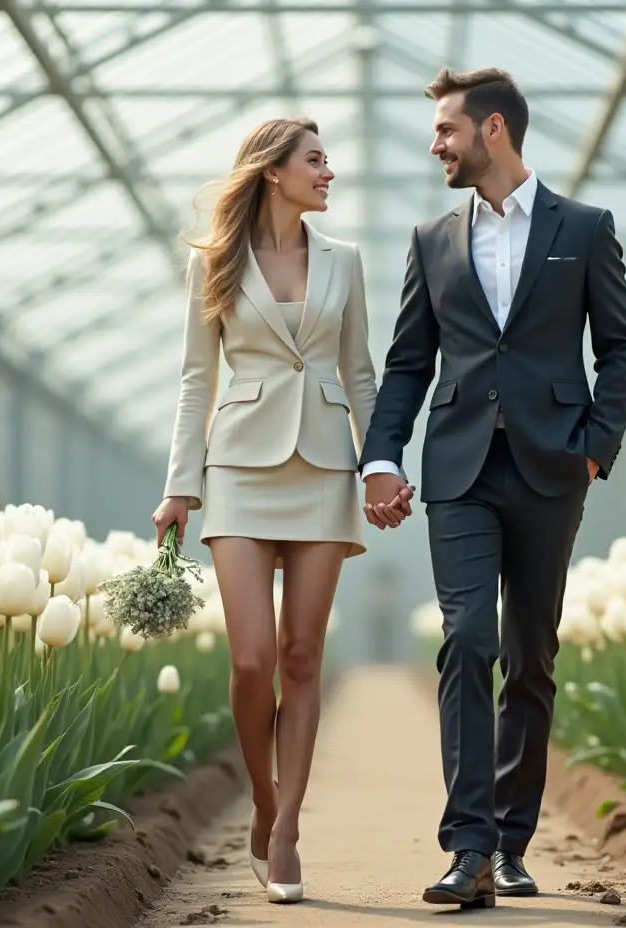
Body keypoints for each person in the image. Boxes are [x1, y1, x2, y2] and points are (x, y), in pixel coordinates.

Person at [358, 68, 626, 909]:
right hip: (458, 472)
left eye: (446, 129)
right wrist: (383, 457)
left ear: (494, 130)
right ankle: (468, 847)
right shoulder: (430, 239)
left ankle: (513, 842)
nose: (435, 144)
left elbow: (622, 349)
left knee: (530, 656)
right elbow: (409, 363)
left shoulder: (585, 229)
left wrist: (596, 446)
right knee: (468, 640)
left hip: (554, 464)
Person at [152, 117, 382, 905]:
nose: (329, 172)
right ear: (273, 171)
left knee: (301, 658)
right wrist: (180, 485)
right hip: (239, 471)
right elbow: (194, 380)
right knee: (251, 661)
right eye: (315, 160)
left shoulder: (345, 263)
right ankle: (263, 795)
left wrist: (379, 465)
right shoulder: (217, 263)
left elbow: (360, 375)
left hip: (325, 468)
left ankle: (286, 830)